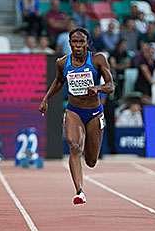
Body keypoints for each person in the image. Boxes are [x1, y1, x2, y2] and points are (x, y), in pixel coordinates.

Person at [38, 27, 114, 205]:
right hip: (74, 111)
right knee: (74, 146)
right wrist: (45, 99)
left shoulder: (97, 60)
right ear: (69, 43)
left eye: (81, 42)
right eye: (74, 42)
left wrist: (98, 88)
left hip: (94, 113)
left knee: (91, 160)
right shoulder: (62, 63)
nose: (78, 45)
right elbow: (58, 81)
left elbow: (111, 85)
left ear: (87, 44)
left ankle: (88, 154)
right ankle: (79, 191)